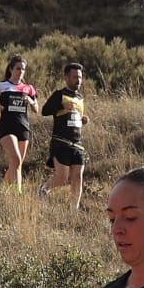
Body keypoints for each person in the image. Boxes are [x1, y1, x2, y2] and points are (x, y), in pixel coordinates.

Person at [37, 62, 87, 207]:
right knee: (62, 177)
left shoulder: (80, 98)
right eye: (74, 77)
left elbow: (74, 117)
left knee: (78, 177)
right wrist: (61, 105)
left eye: (80, 77)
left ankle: (73, 210)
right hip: (61, 142)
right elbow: (45, 111)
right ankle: (43, 189)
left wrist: (82, 119)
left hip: (77, 143)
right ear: (66, 77)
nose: (78, 80)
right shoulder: (59, 95)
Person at [0, 55, 38, 192]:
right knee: (15, 159)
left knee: (17, 163)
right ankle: (17, 193)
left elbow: (37, 109)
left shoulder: (28, 88)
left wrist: (31, 101)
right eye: (17, 68)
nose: (20, 72)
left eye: (23, 69)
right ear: (11, 69)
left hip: (23, 127)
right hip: (7, 126)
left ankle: (4, 190)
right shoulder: (1, 85)